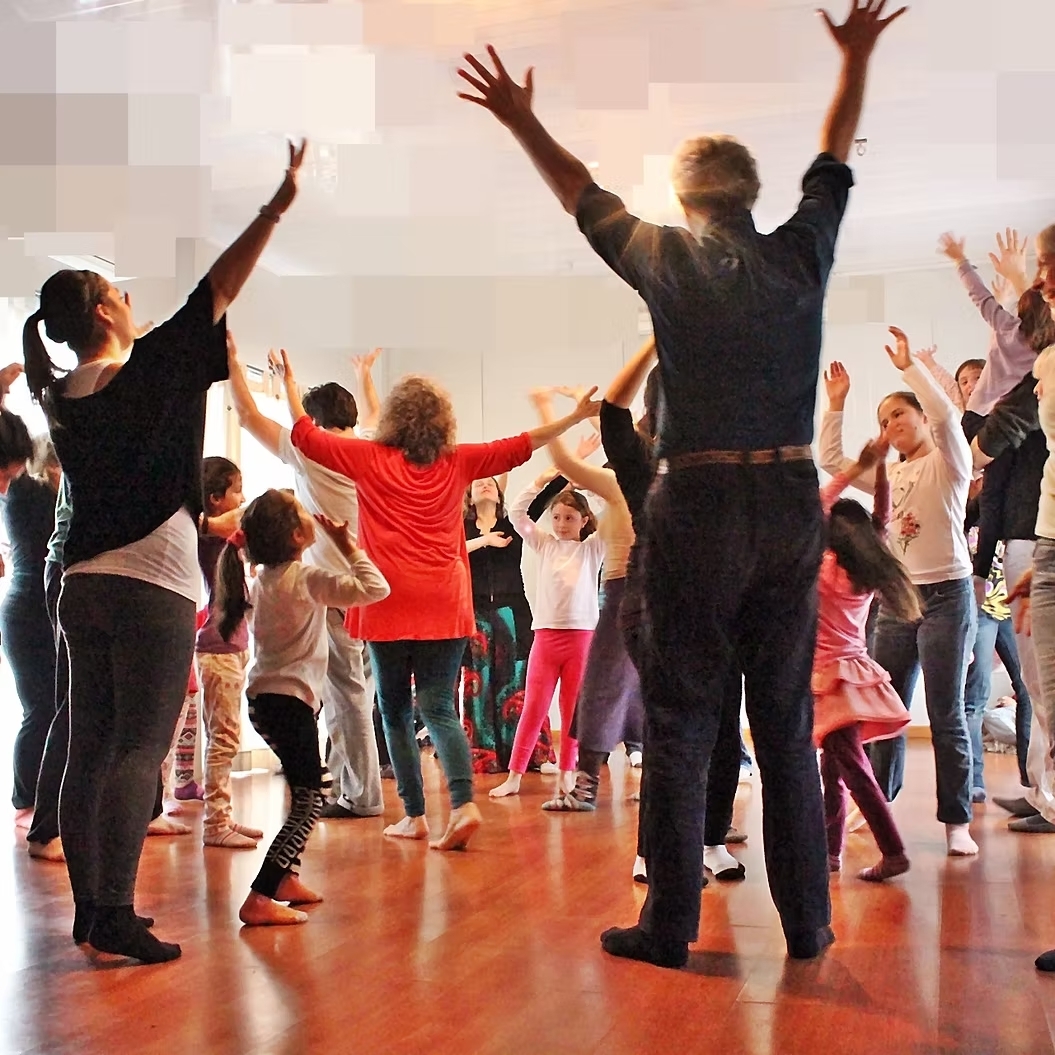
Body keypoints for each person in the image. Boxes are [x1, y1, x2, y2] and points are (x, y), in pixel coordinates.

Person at [457, 0, 905, 966]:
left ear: (685, 197)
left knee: (682, 715)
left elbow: (581, 193)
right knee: (783, 722)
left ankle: (669, 923)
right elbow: (834, 161)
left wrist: (519, 117)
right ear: (747, 195)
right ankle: (809, 924)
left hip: (697, 502)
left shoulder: (663, 256)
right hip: (787, 502)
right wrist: (855, 55)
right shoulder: (798, 252)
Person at [21, 139, 307, 965]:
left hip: (81, 584)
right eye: (118, 293)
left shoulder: (58, 395)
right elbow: (216, 286)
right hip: (151, 585)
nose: (129, 300)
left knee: (90, 747)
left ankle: (90, 908)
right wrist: (275, 207)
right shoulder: (144, 372)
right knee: (137, 749)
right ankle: (113, 910)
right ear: (106, 314)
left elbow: (200, 300)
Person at [280, 349, 600, 850]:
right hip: (444, 600)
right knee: (440, 710)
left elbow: (305, 437)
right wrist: (577, 415)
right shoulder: (459, 461)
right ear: (442, 422)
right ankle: (463, 803)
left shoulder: (368, 458)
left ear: (392, 419)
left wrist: (287, 382)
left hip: (387, 599)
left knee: (394, 711)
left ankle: (413, 814)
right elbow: (521, 445)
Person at [821, 329, 978, 856]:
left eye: (899, 414)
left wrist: (912, 369)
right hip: (897, 602)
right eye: (884, 419)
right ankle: (880, 805)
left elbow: (948, 419)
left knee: (946, 709)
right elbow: (833, 459)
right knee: (885, 710)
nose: (891, 425)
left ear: (919, 417)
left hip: (948, 596)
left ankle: (957, 821)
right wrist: (837, 405)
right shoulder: (892, 474)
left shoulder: (948, 464)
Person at [225, 340, 386, 823]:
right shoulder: (370, 447)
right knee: (353, 692)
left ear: (313, 425)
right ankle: (348, 785)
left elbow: (250, 417)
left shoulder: (313, 453)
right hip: (366, 582)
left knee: (345, 696)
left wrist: (235, 363)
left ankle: (363, 796)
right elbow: (372, 413)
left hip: (331, 588)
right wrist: (362, 376)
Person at [213, 489, 389, 926]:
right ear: (296, 535)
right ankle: (259, 897)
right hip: (287, 704)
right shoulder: (307, 578)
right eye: (300, 512)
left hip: (269, 701)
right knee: (312, 797)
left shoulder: (262, 579)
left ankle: (286, 877)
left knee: (308, 787)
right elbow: (376, 588)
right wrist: (348, 544)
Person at [813, 438, 917, 879]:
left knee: (851, 770)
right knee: (834, 769)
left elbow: (818, 503)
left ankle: (893, 851)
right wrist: (879, 471)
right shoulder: (865, 567)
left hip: (832, 681)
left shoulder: (825, 567)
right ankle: (830, 852)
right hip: (852, 674)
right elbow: (883, 516)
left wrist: (863, 462)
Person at [488, 475, 605, 799]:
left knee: (571, 711)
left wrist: (589, 487)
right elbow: (516, 514)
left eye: (569, 518)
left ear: (584, 521)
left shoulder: (592, 548)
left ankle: (569, 773)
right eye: (556, 517)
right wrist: (540, 481)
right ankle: (515, 776)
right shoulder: (544, 543)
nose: (561, 524)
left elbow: (615, 511)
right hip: (546, 637)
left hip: (580, 637)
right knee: (533, 707)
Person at [462, 472, 567, 773]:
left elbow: (543, 498)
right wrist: (484, 540)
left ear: (499, 495)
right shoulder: (461, 528)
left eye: (491, 483)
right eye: (478, 481)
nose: (484, 483)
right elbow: (446, 550)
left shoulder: (512, 524)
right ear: (468, 495)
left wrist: (565, 467)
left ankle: (534, 753)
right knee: (478, 684)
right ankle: (485, 755)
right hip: (475, 612)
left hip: (513, 610)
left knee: (519, 681)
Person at [195, 454, 264, 848]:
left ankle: (223, 817)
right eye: (236, 490)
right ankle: (215, 823)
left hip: (231, 646)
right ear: (216, 498)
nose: (242, 497)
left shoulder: (227, 538)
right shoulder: (211, 535)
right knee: (223, 738)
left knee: (225, 736)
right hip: (217, 648)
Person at [2, 429, 54, 827]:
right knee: (39, 707)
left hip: (36, 611)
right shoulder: (24, 494)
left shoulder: (32, 496)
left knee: (46, 707)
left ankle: (38, 799)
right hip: (26, 612)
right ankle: (25, 801)